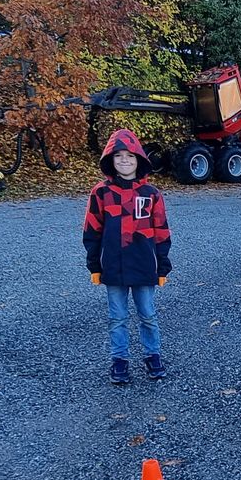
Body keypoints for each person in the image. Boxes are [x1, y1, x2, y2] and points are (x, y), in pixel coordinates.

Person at [83, 129, 172, 385]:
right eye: (118, 155)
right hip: (113, 266)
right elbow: (92, 230)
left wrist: (162, 266)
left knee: (147, 314)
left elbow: (161, 231)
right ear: (110, 159)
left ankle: (153, 356)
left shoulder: (151, 194)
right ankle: (119, 361)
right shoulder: (101, 193)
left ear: (139, 159)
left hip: (143, 265)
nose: (124, 160)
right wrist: (94, 265)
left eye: (129, 156)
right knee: (117, 317)